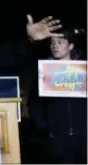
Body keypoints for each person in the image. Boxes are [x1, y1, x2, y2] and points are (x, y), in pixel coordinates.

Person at [28, 30, 87, 164]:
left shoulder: (84, 70)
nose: (55, 46)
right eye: (52, 43)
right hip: (56, 137)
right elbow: (34, 102)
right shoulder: (44, 71)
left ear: (71, 46)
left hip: (83, 136)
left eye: (60, 42)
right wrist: (42, 123)